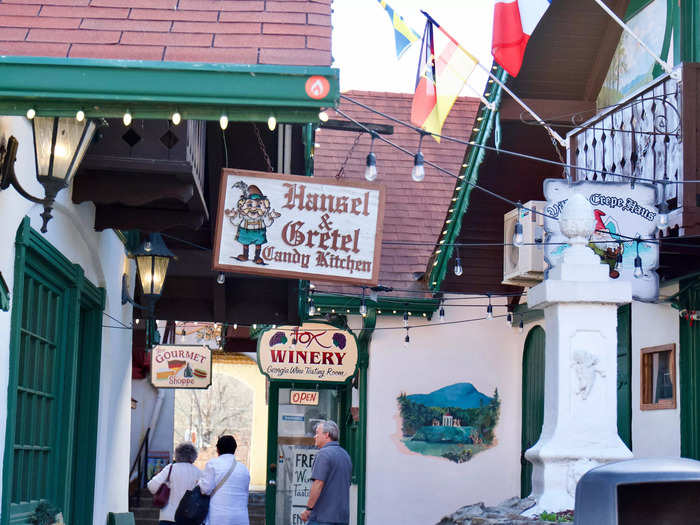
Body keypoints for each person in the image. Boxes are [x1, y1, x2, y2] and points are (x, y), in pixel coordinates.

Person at [300, 420, 352, 525]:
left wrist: (309, 509)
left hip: (322, 518)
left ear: (327, 435)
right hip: (342, 517)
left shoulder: (323, 454)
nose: (315, 436)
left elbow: (318, 484)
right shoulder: (345, 455)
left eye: (317, 433)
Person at [199, 435, 250, 525]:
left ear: (218, 449)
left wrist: (199, 482)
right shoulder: (244, 469)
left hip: (219, 517)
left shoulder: (213, 464)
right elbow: (245, 493)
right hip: (241, 517)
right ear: (234, 449)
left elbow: (205, 490)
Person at [147, 442, 201, 525]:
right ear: (194, 456)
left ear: (177, 454)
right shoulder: (198, 472)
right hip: (189, 518)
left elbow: (152, 486)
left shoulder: (171, 468)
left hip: (168, 517)